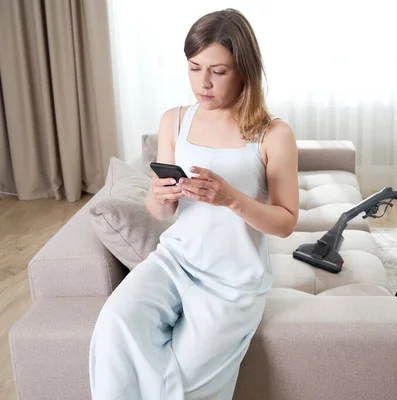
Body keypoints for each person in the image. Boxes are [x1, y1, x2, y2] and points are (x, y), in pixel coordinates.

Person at [88, 8, 299, 399]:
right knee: (113, 327)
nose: (203, 83)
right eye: (193, 68)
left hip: (233, 280)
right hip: (175, 262)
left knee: (182, 385)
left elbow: (285, 222)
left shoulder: (273, 134)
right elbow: (161, 213)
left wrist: (231, 198)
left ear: (244, 70)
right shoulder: (175, 121)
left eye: (218, 71)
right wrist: (160, 196)